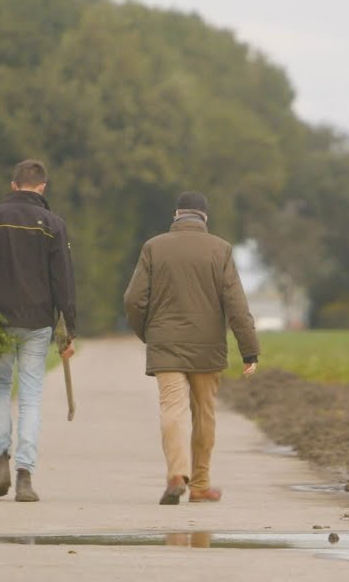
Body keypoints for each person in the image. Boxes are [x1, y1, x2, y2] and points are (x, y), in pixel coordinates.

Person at [124, 191, 261, 505]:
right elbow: (236, 304)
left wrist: (147, 333)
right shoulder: (221, 250)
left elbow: (133, 299)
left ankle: (176, 474)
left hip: (165, 343)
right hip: (207, 347)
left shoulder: (153, 248)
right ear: (204, 218)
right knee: (204, 414)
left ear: (176, 216)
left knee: (172, 409)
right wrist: (249, 349)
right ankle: (200, 485)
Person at [0, 159, 76, 502]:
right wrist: (69, 331)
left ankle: (0, 460)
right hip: (37, 323)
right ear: (42, 187)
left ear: (13, 185)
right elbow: (63, 281)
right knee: (30, 398)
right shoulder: (54, 224)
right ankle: (25, 475)